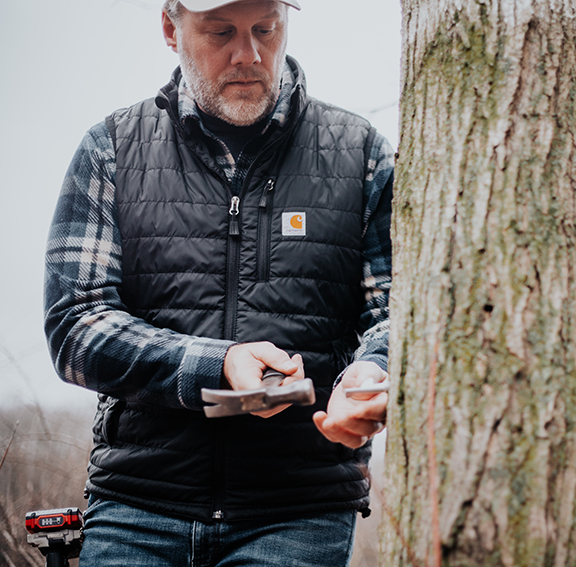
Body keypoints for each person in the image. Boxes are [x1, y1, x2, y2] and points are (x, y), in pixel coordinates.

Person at [42, 0, 392, 564]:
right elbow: (75, 327)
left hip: (300, 515)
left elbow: (399, 317)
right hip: (136, 509)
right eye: (221, 32)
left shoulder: (363, 154)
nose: (248, 54)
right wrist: (214, 363)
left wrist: (372, 375)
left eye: (266, 29)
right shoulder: (110, 148)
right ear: (170, 27)